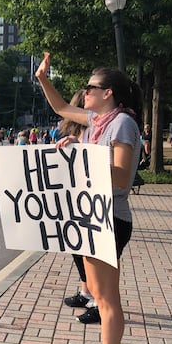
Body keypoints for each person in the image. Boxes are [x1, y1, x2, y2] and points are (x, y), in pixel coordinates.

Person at [35, 55, 141, 344]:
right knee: (97, 293)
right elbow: (62, 107)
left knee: (106, 298)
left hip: (109, 217)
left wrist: (81, 157)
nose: (85, 93)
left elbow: (122, 175)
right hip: (94, 217)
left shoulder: (121, 123)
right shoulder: (98, 121)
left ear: (107, 92)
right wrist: (42, 78)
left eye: (90, 87)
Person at [59, 90, 100, 325]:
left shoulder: (93, 129)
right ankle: (87, 293)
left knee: (88, 252)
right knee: (79, 248)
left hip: (89, 198)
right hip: (77, 196)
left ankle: (95, 298)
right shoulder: (79, 131)